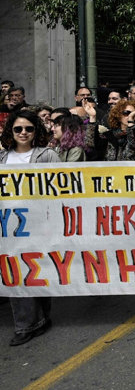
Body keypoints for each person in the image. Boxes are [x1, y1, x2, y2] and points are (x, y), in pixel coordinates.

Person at [2, 111, 60, 346]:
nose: (23, 133)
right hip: (10, 229)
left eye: (29, 129)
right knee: (16, 271)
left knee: (38, 271)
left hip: (41, 224)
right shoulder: (2, 159)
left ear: (36, 131)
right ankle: (25, 325)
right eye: (18, 129)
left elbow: (61, 189)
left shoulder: (48, 156)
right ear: (11, 132)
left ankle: (41, 318)